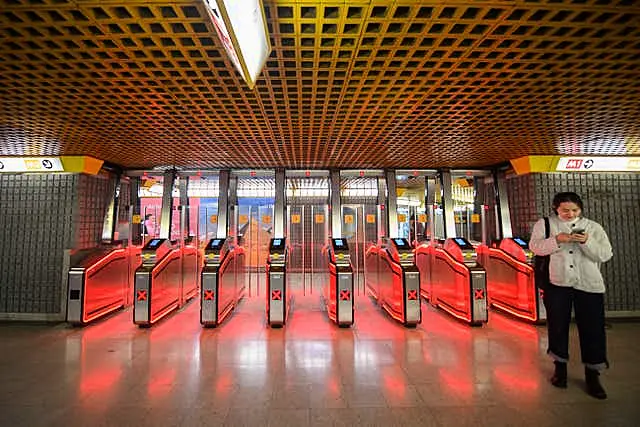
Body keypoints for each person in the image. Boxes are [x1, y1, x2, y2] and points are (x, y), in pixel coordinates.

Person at [529, 192, 613, 399]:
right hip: (557, 282)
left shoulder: (593, 227)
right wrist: (557, 240)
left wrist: (586, 242)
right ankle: (560, 369)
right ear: (555, 208)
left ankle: (593, 375)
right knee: (557, 325)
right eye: (565, 210)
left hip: (589, 284)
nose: (570, 214)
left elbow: (604, 254)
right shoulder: (545, 224)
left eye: (574, 210)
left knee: (593, 329)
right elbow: (535, 248)